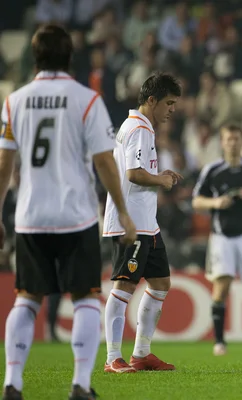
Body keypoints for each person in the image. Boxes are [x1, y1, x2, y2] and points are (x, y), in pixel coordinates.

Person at [0, 24, 136, 400]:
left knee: (25, 300)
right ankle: (79, 384)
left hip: (29, 216)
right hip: (75, 215)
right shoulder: (86, 100)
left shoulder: (15, 101)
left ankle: (12, 383)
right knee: (86, 300)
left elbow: (4, 164)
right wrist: (122, 211)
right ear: (70, 58)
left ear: (35, 57)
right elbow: (106, 163)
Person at [102, 72, 183, 373]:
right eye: (169, 103)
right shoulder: (138, 128)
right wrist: (161, 179)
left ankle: (142, 353)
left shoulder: (141, 127)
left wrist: (159, 174)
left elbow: (138, 171)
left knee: (161, 283)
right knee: (124, 287)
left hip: (147, 223)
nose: (172, 109)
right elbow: (133, 174)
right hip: (131, 223)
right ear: (152, 100)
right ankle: (112, 358)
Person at [192, 124, 242, 356]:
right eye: (228, 139)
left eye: (236, 139)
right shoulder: (212, 170)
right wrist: (215, 203)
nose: (233, 143)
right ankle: (219, 342)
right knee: (221, 288)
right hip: (222, 236)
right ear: (222, 143)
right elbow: (196, 201)